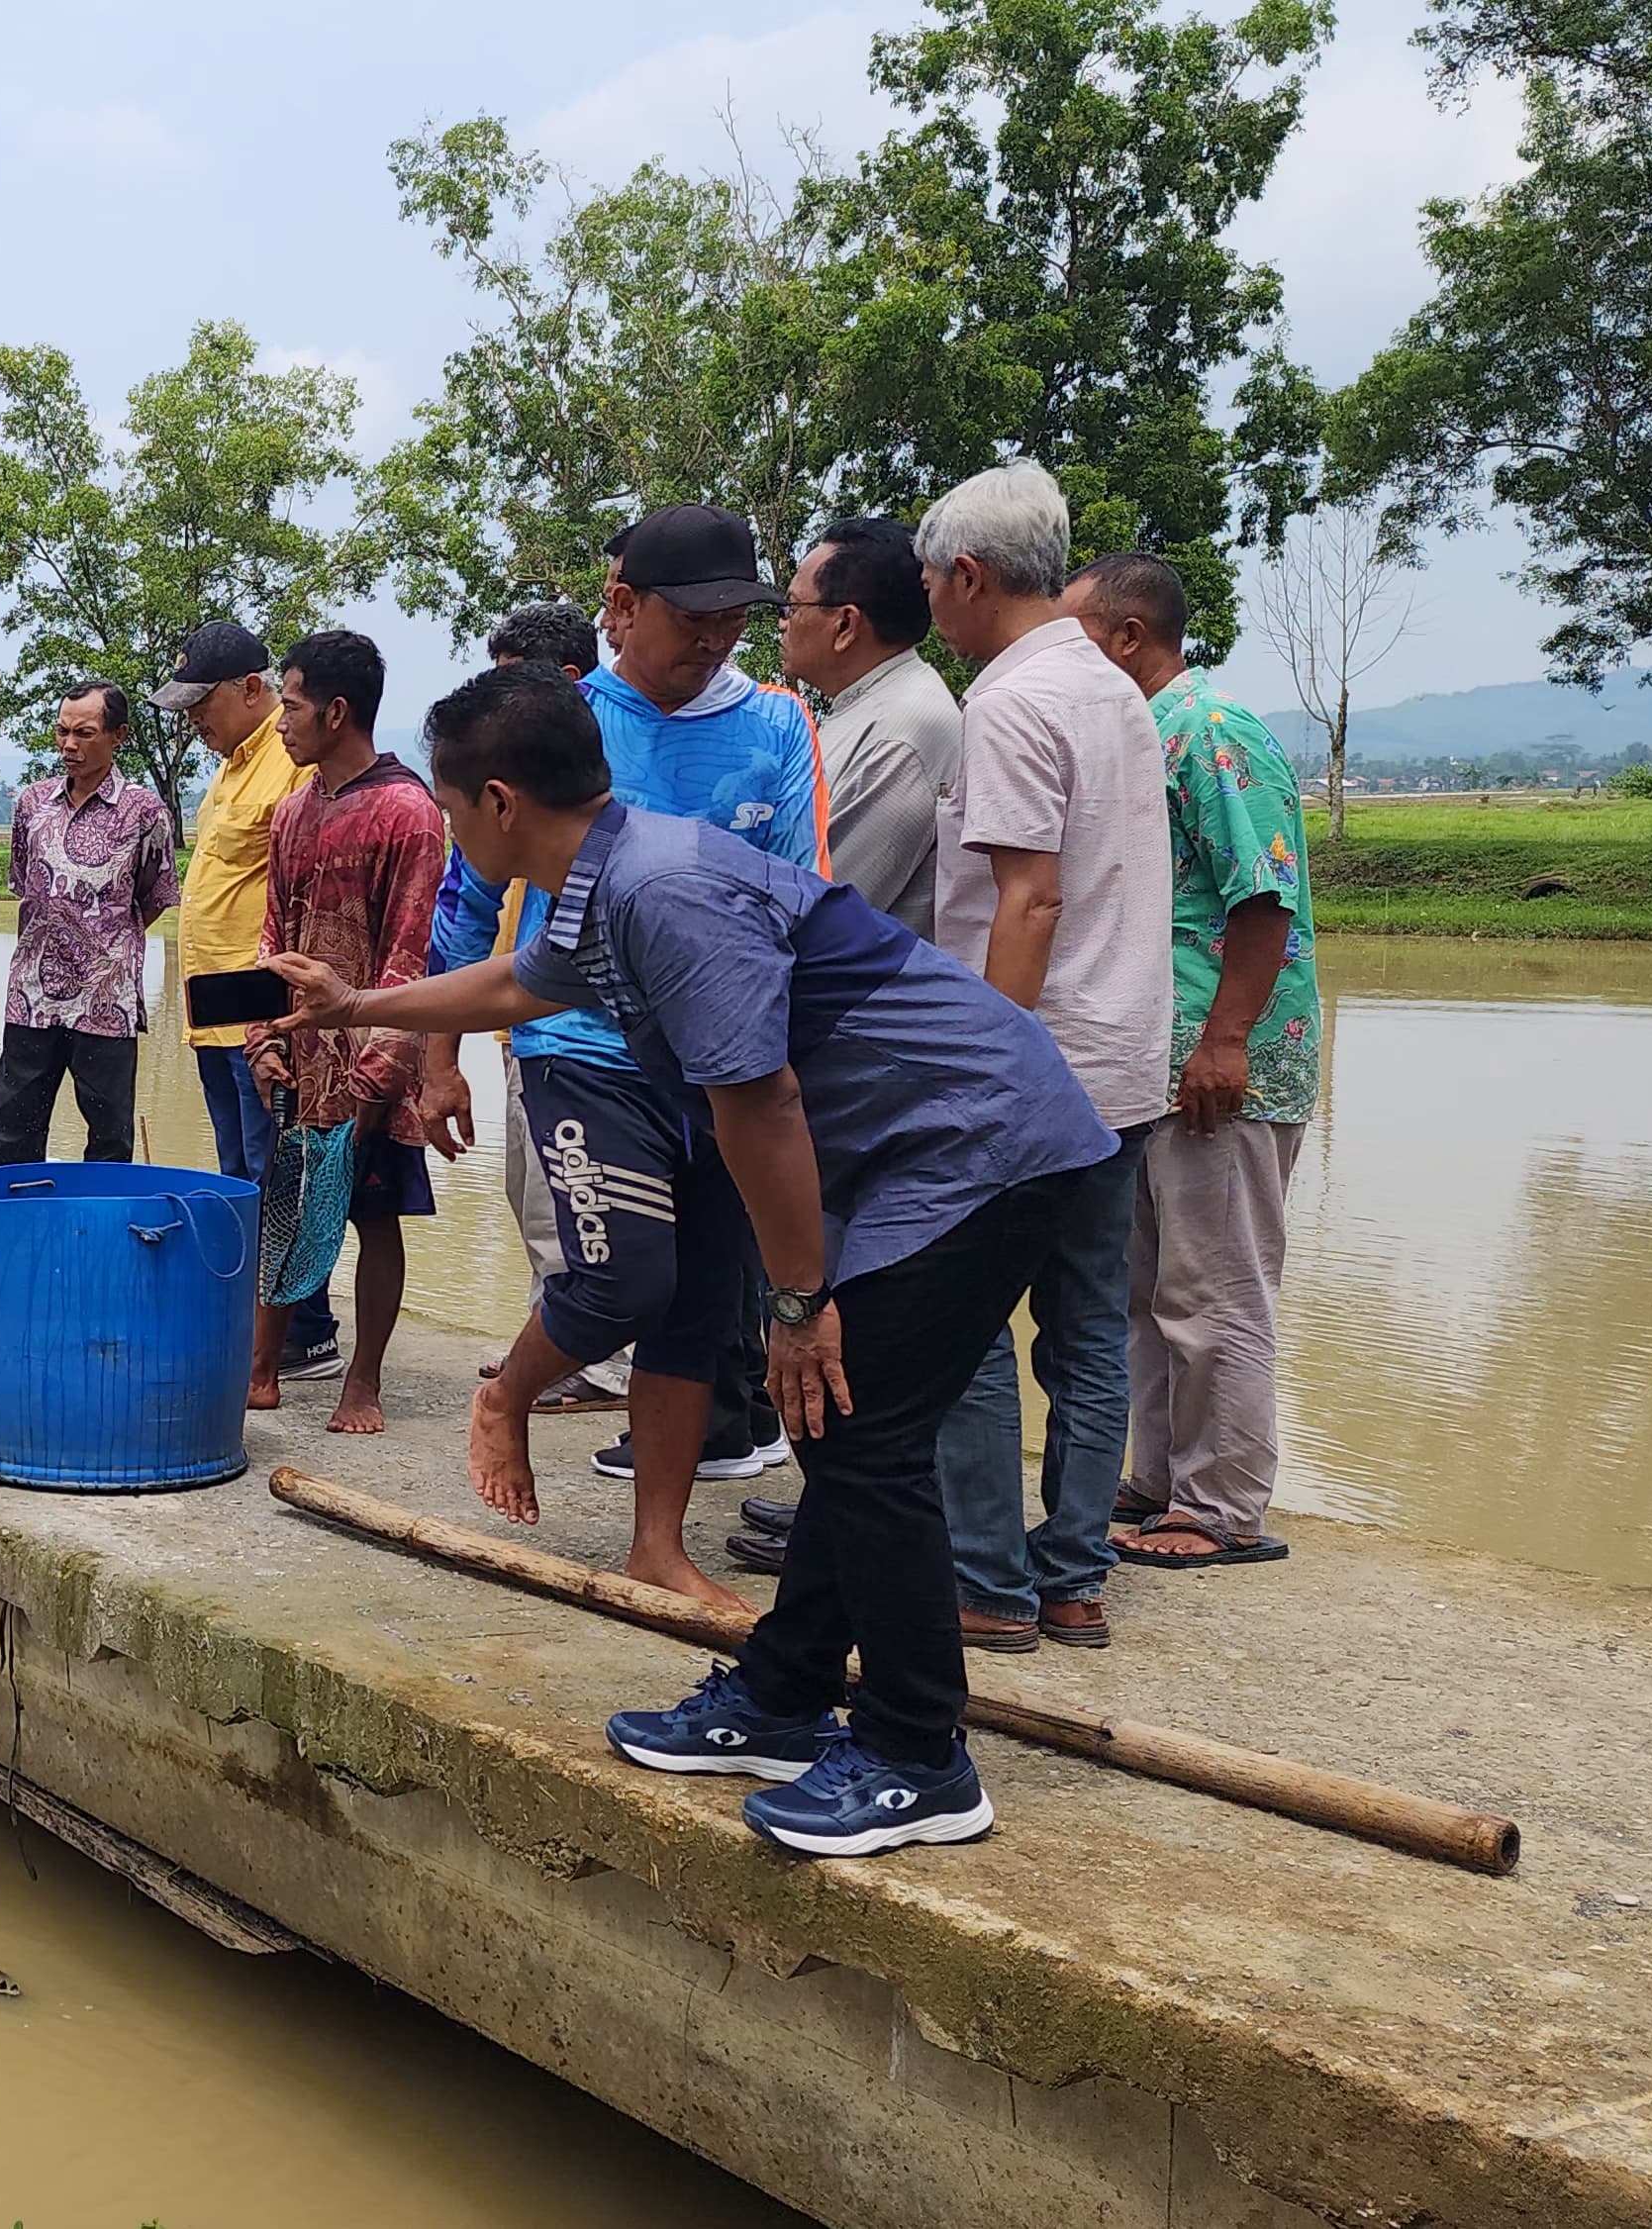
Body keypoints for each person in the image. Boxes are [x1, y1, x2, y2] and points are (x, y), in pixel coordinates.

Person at [271, 664, 1116, 1859]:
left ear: (502, 800)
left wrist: (796, 1300)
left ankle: (920, 1754)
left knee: (863, 1440)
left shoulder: (662, 892)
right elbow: (519, 982)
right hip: (924, 1149)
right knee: (842, 1432)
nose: (451, 828)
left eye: (454, 807)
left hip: (977, 1148)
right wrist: (361, 1005)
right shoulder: (603, 872)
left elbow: (758, 1107)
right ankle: (781, 1696)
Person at [420, 505, 824, 1610]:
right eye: (688, 618)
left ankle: (657, 1541)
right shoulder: (556, 721)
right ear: (621, 605)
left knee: (697, 1305)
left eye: (732, 621)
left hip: (719, 1060)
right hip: (579, 1042)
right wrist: (437, 1057)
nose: (711, 641)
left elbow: (800, 889)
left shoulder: (779, 728)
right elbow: (470, 895)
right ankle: (509, 1390)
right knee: (622, 1275)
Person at [918, 461, 1175, 1653]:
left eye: (931, 584)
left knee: (964, 1322)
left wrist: (980, 1066)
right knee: (1084, 1329)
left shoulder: (1011, 702)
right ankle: (1071, 1576)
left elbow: (1025, 901)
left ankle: (986, 1580)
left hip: (1033, 1063)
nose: (931, 606)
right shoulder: (1113, 685)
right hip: (1119, 1062)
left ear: (967, 576)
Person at [1067, 550, 1317, 1573]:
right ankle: (1159, 1472)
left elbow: (1263, 897)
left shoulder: (1211, 731)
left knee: (1216, 1288)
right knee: (1149, 1288)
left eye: (1076, 635)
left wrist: (1224, 1041)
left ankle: (1220, 1504)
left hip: (1220, 1062)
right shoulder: (1140, 731)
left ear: (1128, 637)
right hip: (1147, 1060)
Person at [428, 601, 629, 1416]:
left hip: (616, 1043)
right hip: (538, 1026)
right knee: (540, 1198)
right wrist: (439, 1058)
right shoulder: (497, 791)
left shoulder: (614, 783)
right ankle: (565, 1348)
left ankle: (602, 1367)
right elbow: (465, 914)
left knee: (595, 1221)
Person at [240, 630, 442, 1432]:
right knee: (281, 1207)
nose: (280, 723)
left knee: (373, 1214)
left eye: (288, 706)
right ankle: (261, 1368)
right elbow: (272, 937)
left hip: (372, 1061)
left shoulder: (408, 812)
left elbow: (411, 952)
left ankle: (363, 1381)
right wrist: (262, 1038)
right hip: (301, 1057)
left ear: (336, 710)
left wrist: (376, 1075)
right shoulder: (293, 811)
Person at [162, 619, 337, 1377]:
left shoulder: (293, 763)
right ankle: (258, 1318)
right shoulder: (231, 766)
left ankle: (307, 1331)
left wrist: (281, 1020)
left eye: (204, 702)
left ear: (253, 689)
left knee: (282, 1170)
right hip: (215, 1007)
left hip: (263, 1008)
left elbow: (303, 897)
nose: (194, 719)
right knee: (240, 1168)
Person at [0, 682, 178, 1167]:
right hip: (33, 998)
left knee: (109, 1138)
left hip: (106, 1003)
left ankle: (100, 1236)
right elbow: (28, 888)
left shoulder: (146, 812)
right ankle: (4, 1229)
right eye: (63, 732)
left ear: (118, 736)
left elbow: (153, 899)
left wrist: (104, 946)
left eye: (84, 733)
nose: (69, 745)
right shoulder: (31, 804)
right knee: (8, 1132)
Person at [781, 517, 964, 935]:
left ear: (844, 625)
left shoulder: (902, 733)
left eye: (793, 606)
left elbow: (823, 910)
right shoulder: (871, 704)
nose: (782, 622)